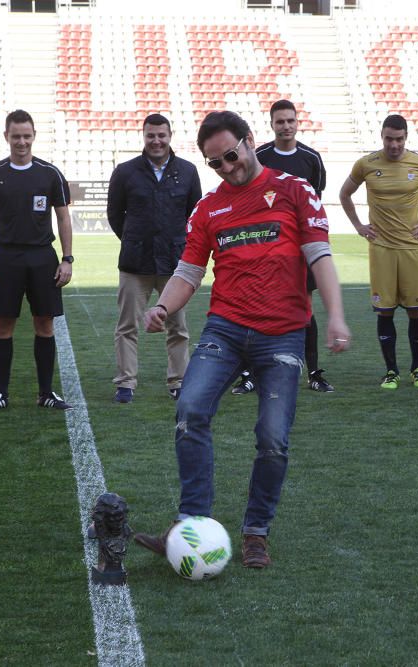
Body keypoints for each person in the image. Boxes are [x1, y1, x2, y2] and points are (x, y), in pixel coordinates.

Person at [132, 111, 351, 569]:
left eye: (231, 155)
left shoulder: (295, 191)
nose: (227, 168)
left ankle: (256, 533)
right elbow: (189, 273)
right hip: (226, 330)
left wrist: (336, 317)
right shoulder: (209, 208)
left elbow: (320, 257)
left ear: (250, 142)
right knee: (190, 410)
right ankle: (192, 522)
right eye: (215, 163)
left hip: (282, 335)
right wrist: (161, 307)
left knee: (273, 438)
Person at [338, 114, 418, 390]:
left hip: (411, 248)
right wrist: (359, 226)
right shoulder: (366, 164)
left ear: (406, 138)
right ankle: (391, 371)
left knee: (416, 312)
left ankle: (417, 369)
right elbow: (344, 194)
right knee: (384, 312)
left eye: (399, 139)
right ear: (382, 137)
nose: (394, 145)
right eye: (389, 138)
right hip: (381, 249)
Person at [0, 109, 74, 412]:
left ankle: (45, 393)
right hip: (6, 257)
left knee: (44, 324)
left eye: (26, 136)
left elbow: (63, 218)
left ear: (34, 136)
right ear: (6, 136)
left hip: (43, 257)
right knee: (3, 325)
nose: (21, 142)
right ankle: (0, 393)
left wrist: (67, 259)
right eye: (16, 136)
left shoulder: (50, 173)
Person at [233, 99, 333, 395]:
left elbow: (315, 199)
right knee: (255, 307)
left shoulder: (311, 158)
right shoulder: (259, 155)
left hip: (300, 248)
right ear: (272, 124)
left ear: (297, 122)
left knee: (305, 308)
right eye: (280, 121)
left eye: (290, 120)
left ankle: (313, 372)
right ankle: (249, 374)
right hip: (262, 247)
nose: (286, 126)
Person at [108, 114, 202, 404]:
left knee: (178, 327)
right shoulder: (125, 172)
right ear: (144, 136)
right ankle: (126, 383)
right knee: (127, 326)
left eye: (161, 135)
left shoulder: (187, 171)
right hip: (135, 264)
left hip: (174, 265)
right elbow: (115, 216)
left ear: (170, 135)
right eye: (151, 135)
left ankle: (179, 381)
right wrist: (135, 240)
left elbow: (193, 215)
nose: (156, 141)